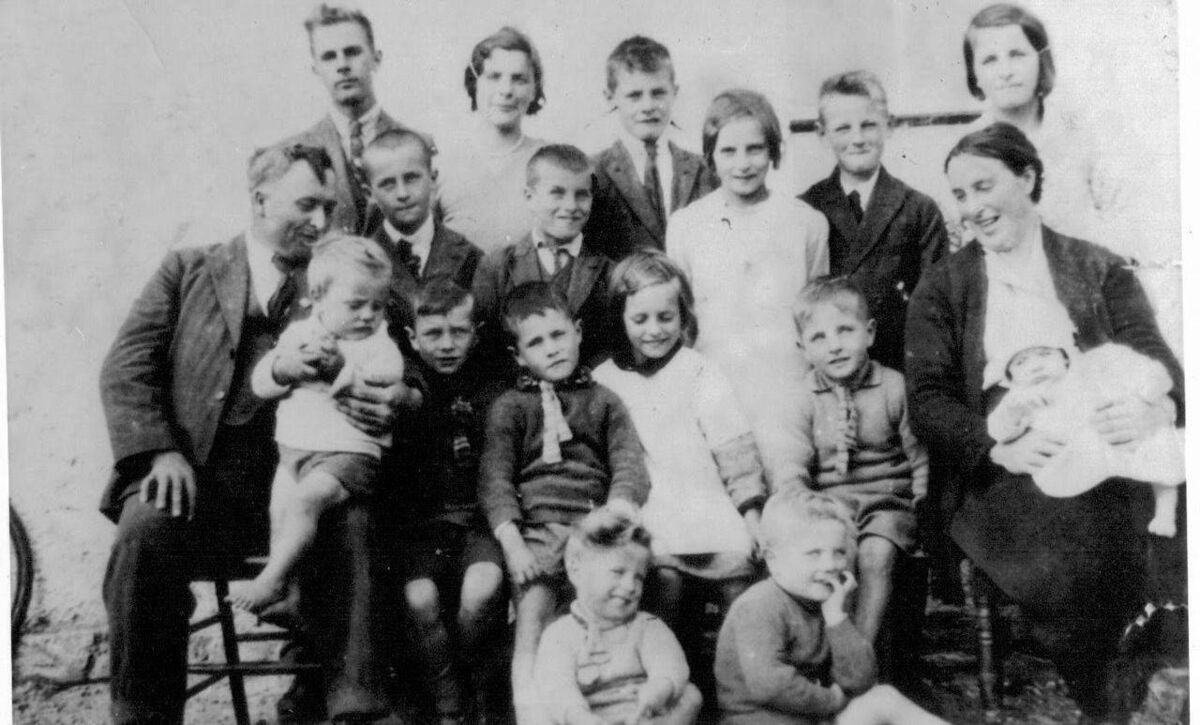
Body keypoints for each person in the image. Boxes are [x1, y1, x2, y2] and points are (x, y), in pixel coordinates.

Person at [99, 143, 397, 724]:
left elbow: (414, 366)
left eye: (328, 209)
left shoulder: (348, 276)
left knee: (355, 519)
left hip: (309, 480)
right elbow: (126, 368)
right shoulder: (188, 270)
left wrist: (398, 399)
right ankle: (140, 716)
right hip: (203, 484)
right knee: (143, 529)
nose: (319, 222)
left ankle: (353, 709)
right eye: (306, 205)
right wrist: (159, 451)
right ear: (260, 200)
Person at [906, 122, 1185, 723]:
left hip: (1103, 439)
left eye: (985, 186)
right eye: (960, 195)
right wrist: (994, 448)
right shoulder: (944, 286)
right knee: (1069, 535)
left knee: (1153, 497)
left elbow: (1159, 361)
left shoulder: (1096, 267)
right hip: (1001, 471)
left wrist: (1153, 406)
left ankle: (1147, 648)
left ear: (1027, 177)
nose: (973, 208)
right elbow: (927, 402)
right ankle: (1104, 688)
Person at [478, 281, 650, 724]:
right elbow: (495, 479)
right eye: (536, 343)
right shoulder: (511, 407)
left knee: (606, 610)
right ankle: (531, 713)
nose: (552, 349)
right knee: (533, 614)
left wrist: (615, 516)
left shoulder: (604, 401)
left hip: (594, 527)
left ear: (577, 332)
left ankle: (608, 707)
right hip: (537, 532)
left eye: (558, 335)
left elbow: (629, 463)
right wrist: (513, 543)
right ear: (519, 356)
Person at [227, 234, 405, 614]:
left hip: (349, 454)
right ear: (319, 298)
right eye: (356, 305)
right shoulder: (299, 333)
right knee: (282, 510)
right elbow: (260, 382)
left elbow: (389, 372)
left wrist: (342, 368)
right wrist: (282, 368)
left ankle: (270, 578)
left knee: (307, 501)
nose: (368, 316)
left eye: (378, 306)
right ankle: (291, 593)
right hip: (294, 448)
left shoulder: (377, 342)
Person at [592, 251, 766, 632]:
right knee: (665, 589)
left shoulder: (699, 370)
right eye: (640, 319)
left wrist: (752, 514)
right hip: (654, 513)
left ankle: (733, 682)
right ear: (620, 319)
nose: (654, 330)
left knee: (739, 588)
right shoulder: (606, 381)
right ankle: (675, 676)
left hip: (709, 507)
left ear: (683, 317)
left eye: (665, 317)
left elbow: (733, 449)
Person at [666, 88, 829, 489]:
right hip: (717, 392)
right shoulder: (687, 225)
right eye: (729, 151)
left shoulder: (806, 223)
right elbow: (682, 324)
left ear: (773, 151)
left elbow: (817, 318)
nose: (743, 164)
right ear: (711, 155)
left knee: (788, 494)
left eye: (755, 149)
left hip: (785, 391)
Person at [775, 277, 928, 652]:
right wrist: (802, 503)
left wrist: (924, 504)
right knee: (830, 555)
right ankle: (824, 652)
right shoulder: (802, 398)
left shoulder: (893, 387)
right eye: (819, 338)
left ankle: (860, 654)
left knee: (876, 554)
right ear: (803, 348)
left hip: (888, 504)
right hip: (833, 507)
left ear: (870, 333)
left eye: (845, 330)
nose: (835, 346)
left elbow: (919, 456)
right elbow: (791, 465)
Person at [713, 491, 949, 725]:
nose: (830, 565)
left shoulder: (829, 601)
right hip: (762, 720)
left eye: (839, 552)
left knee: (882, 698)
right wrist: (832, 701)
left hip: (813, 716)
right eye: (813, 554)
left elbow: (861, 681)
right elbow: (770, 685)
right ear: (773, 560)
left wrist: (837, 618)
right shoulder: (758, 606)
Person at [390, 277, 509, 724]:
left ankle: (474, 680)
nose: (446, 345)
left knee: (482, 591)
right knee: (419, 599)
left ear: (475, 333)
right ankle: (447, 701)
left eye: (458, 332)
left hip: (479, 520)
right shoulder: (406, 387)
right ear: (412, 338)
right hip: (425, 526)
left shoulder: (493, 387)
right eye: (433, 334)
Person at [800, 71, 947, 371]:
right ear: (821, 133)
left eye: (868, 125)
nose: (857, 139)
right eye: (842, 128)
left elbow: (936, 307)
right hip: (829, 369)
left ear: (888, 126)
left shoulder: (919, 210)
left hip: (898, 367)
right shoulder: (805, 209)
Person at [957, 3, 1118, 250]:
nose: (1006, 72)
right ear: (974, 74)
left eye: (1017, 55)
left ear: (1040, 61)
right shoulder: (964, 152)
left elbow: (1118, 224)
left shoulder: (1082, 137)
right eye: (990, 60)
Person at [986, 343, 1184, 537]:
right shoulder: (1017, 398)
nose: (1035, 366)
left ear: (1065, 358)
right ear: (1010, 377)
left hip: (1112, 441)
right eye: (1021, 363)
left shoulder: (1083, 375)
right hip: (1070, 461)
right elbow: (997, 431)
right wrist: (1014, 413)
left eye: (1045, 354)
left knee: (1158, 453)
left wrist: (1144, 396)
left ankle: (1165, 513)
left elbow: (1139, 378)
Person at [532, 505, 703, 725]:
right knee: (542, 712)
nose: (630, 586)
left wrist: (660, 687)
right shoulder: (559, 634)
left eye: (639, 578)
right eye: (618, 572)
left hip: (642, 715)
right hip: (588, 718)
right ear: (576, 570)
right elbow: (557, 687)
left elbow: (670, 664)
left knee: (690, 696)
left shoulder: (647, 625)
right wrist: (579, 716)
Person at [284, 4, 434, 235]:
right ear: (316, 69)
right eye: (329, 57)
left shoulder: (419, 144)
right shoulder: (296, 153)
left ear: (376, 58)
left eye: (352, 52)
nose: (343, 65)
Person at [473, 144, 618, 374]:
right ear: (530, 197)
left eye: (581, 195)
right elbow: (484, 354)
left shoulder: (610, 273)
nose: (570, 206)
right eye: (557, 193)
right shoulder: (497, 268)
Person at [584, 35, 718, 260]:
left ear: (675, 92)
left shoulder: (704, 169)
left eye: (658, 93)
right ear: (610, 97)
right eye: (634, 96)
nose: (648, 106)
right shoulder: (593, 172)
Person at [362, 128, 484, 339]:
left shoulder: (471, 258)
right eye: (387, 184)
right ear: (370, 193)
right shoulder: (359, 262)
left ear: (433, 179)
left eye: (411, 178)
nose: (403, 194)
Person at [438, 26, 549, 254]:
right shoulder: (443, 166)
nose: (506, 90)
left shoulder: (550, 161)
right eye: (494, 77)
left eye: (519, 79)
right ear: (474, 82)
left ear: (533, 89)